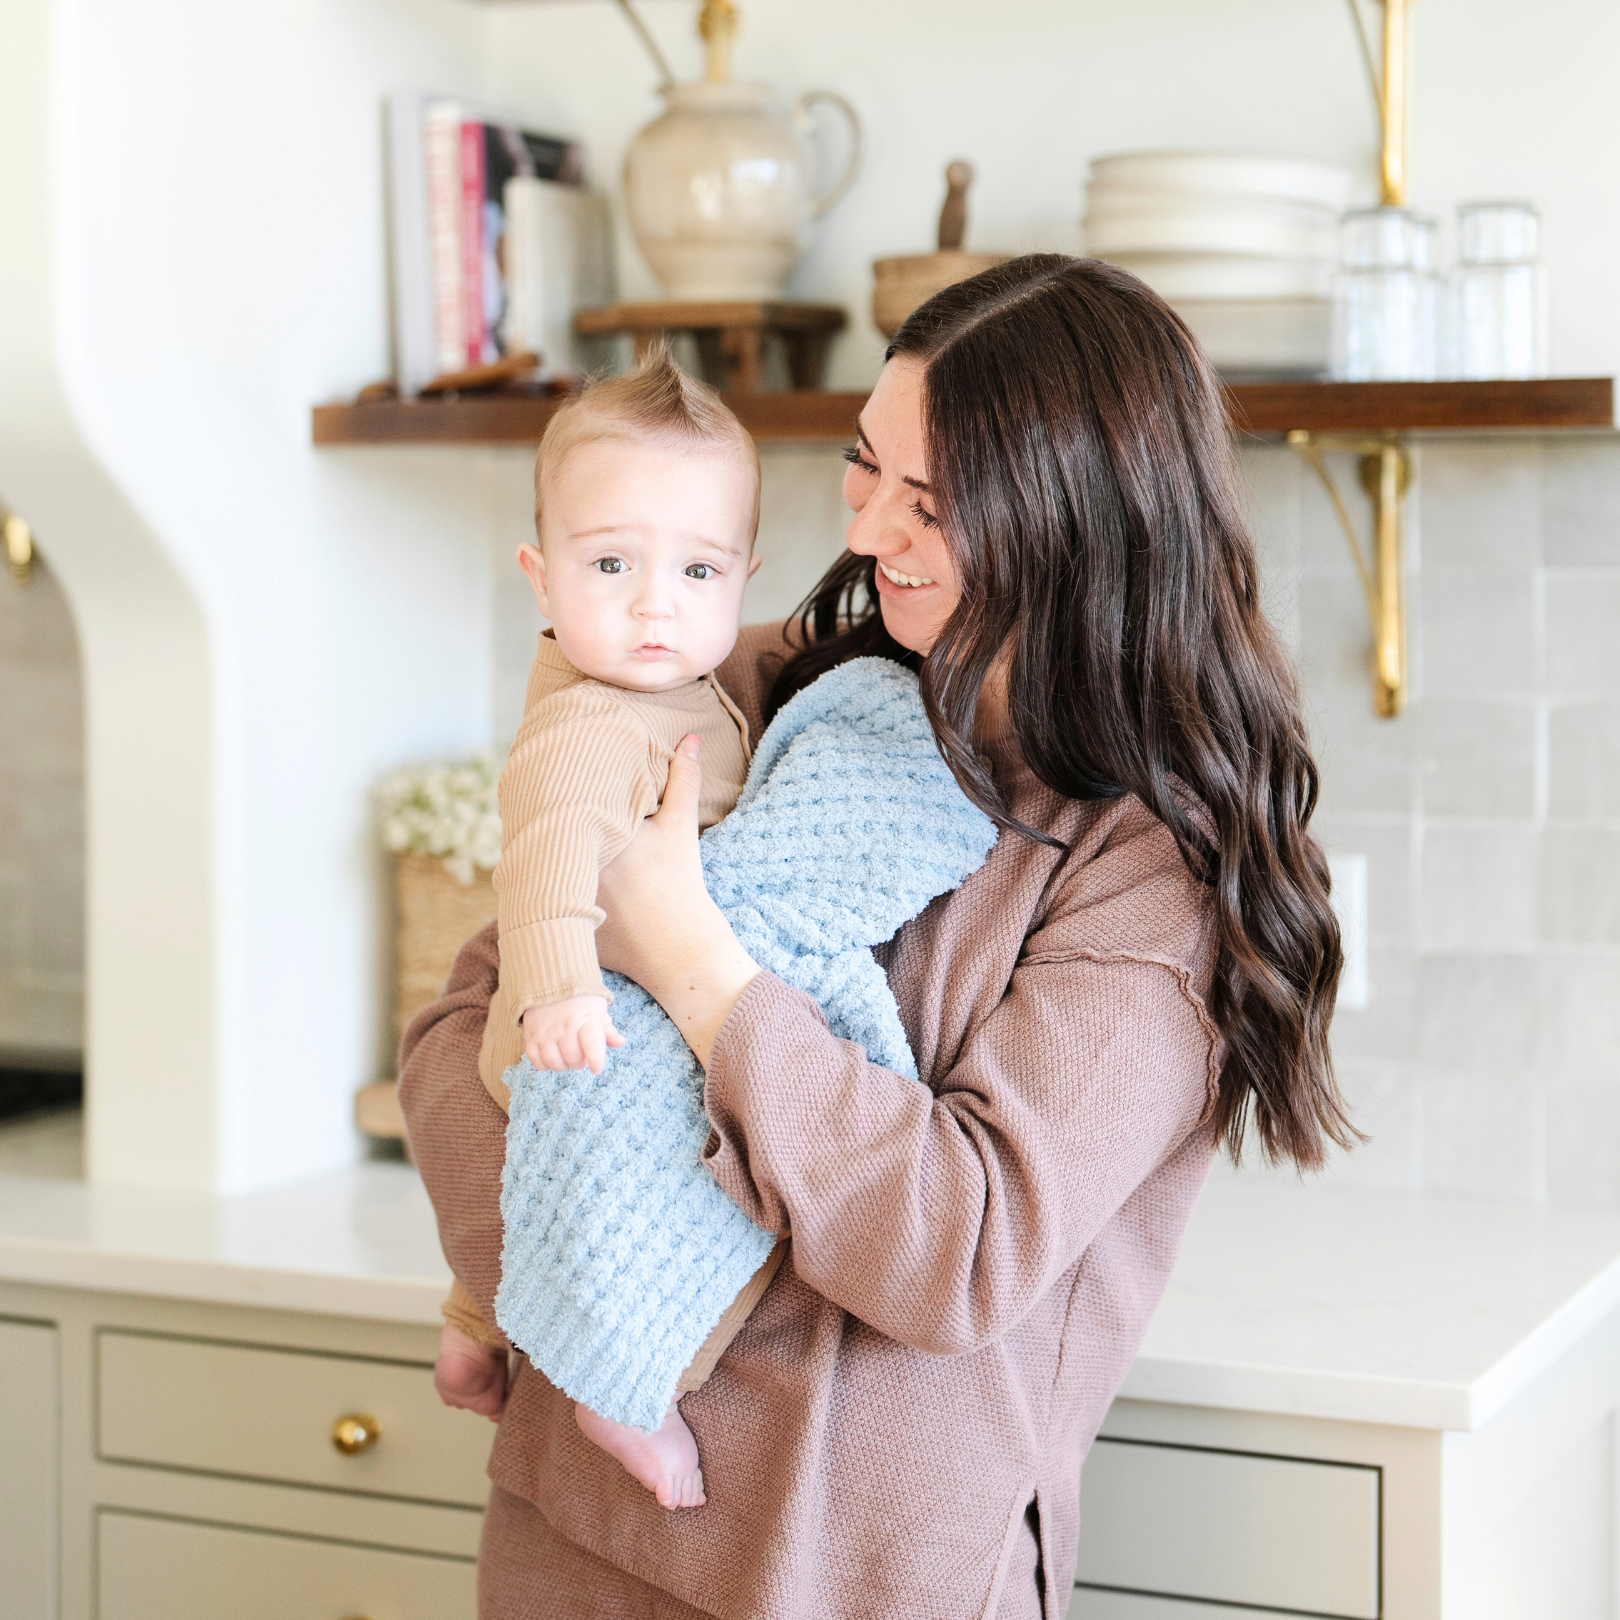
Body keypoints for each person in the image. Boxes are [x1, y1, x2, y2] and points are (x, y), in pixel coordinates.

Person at [400, 254, 1353, 1619]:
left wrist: (692, 967)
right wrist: (586, 1317)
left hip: (847, 1584)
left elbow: (956, 1253)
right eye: (865, 469)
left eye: (935, 503)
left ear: (1072, 523)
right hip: (570, 1547)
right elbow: (462, 1036)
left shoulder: (1149, 876)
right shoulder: (762, 681)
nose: (868, 534)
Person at [433, 346, 782, 1509]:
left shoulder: (678, 683)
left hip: (594, 1003)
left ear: (743, 580)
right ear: (541, 576)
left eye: (696, 569)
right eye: (612, 564)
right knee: (637, 1191)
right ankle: (622, 1392)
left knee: (529, 1203)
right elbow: (541, 862)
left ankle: (472, 1328)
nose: (654, 604)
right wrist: (558, 992)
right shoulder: (595, 720)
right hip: (578, 1020)